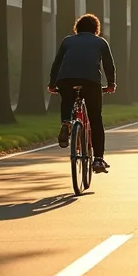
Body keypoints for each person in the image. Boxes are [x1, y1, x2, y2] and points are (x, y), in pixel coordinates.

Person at [50, 13, 117, 173]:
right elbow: (108, 64)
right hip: (91, 81)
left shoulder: (67, 41)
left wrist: (52, 83)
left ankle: (66, 123)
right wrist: (111, 84)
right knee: (95, 119)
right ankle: (99, 160)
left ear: (77, 28)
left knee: (67, 97)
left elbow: (57, 62)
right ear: (96, 29)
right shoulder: (101, 42)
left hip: (66, 79)